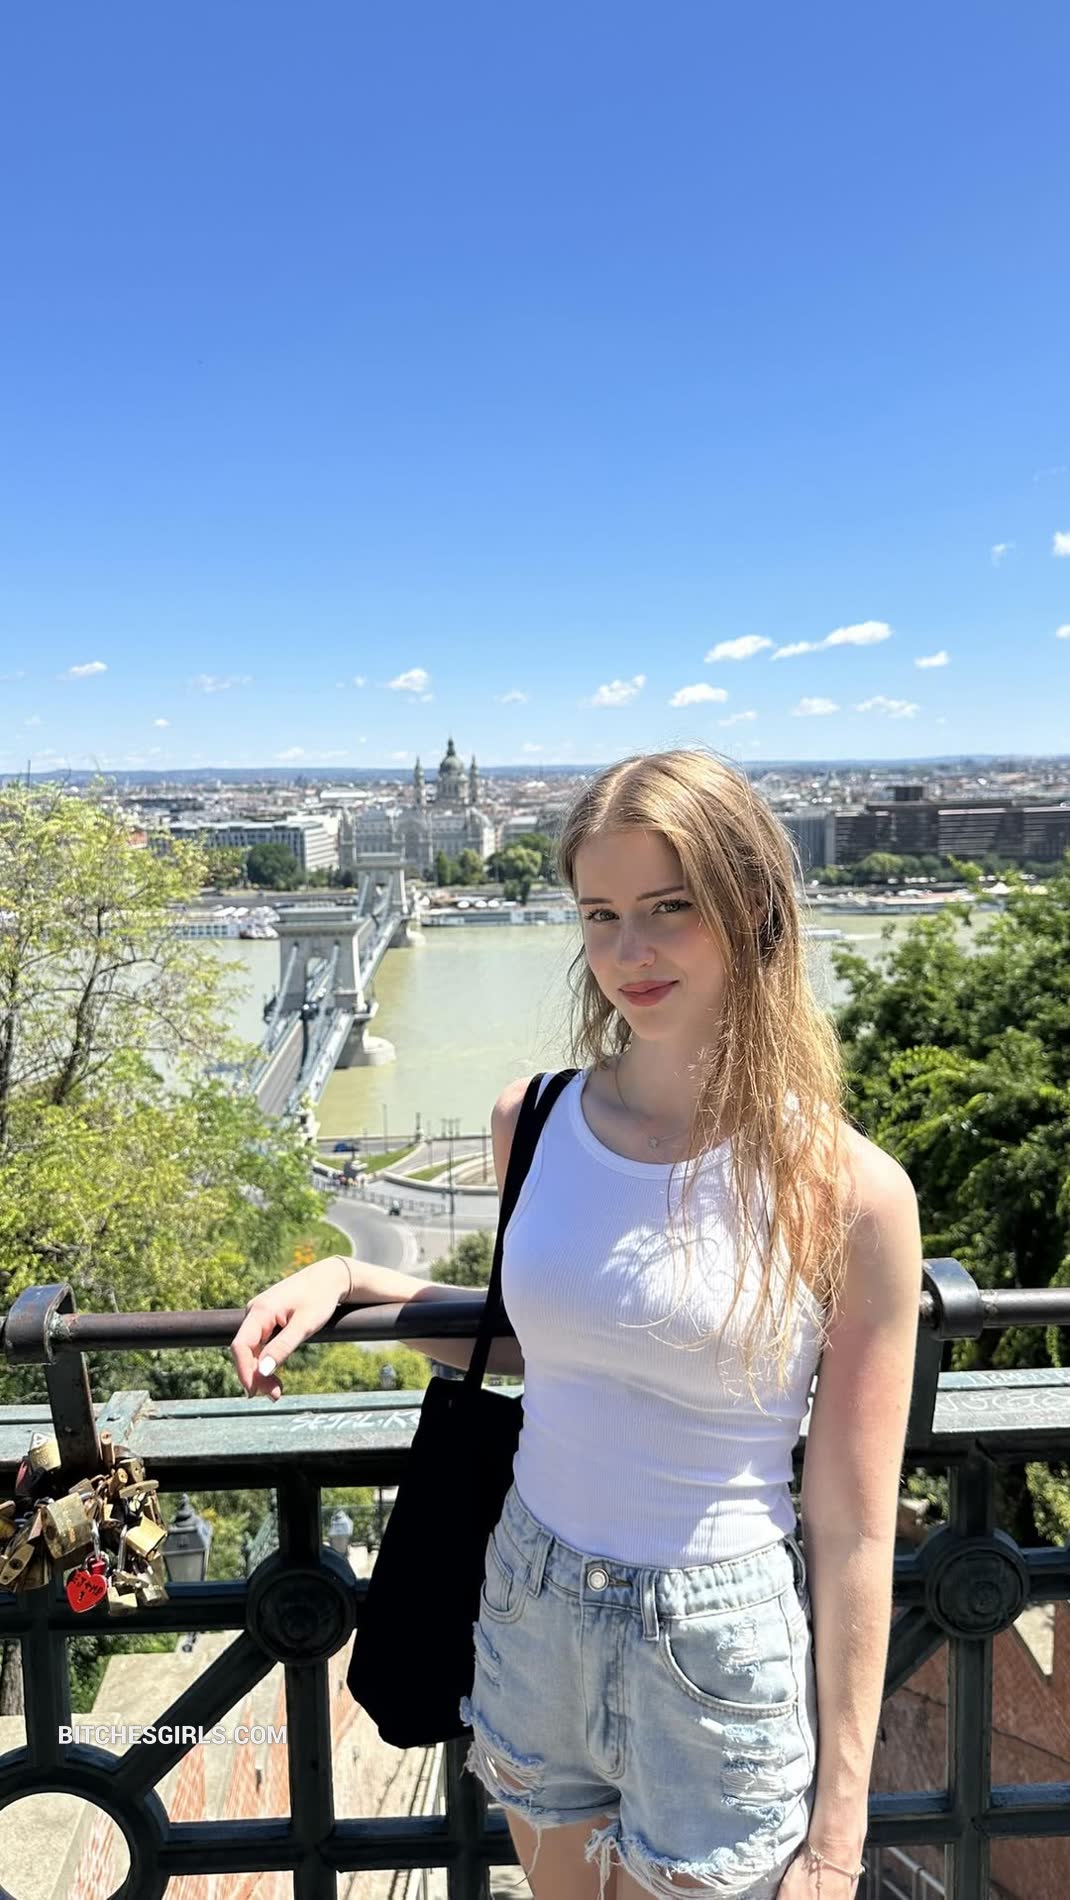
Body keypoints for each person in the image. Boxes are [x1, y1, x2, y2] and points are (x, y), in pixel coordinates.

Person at [230, 747, 923, 1900]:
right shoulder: (533, 1119)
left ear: (753, 908)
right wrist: (352, 1279)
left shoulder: (847, 1192)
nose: (626, 952)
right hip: (529, 1595)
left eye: (667, 907)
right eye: (599, 914)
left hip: (713, 1641)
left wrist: (838, 1829)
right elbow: (543, 1343)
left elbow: (852, 1524)